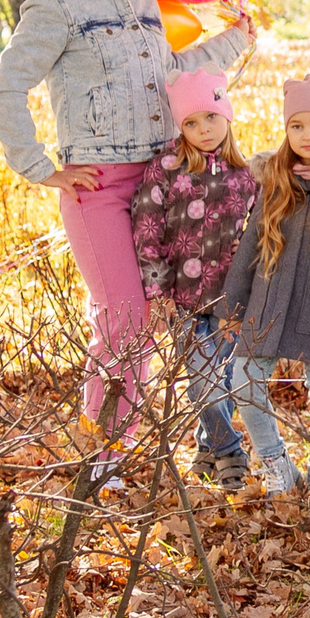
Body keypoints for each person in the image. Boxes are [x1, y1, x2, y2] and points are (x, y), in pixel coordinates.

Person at [0, 0, 252, 445]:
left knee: (162, 321)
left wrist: (238, 37)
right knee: (124, 319)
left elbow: (168, 72)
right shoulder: (55, 2)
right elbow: (3, 88)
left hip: (162, 184)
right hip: (98, 186)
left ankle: (141, 445)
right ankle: (103, 450)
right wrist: (37, 166)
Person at [217, 73, 310, 495]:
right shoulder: (276, 179)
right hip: (269, 304)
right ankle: (277, 466)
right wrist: (232, 307)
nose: (307, 135)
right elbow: (250, 246)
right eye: (296, 126)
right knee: (244, 379)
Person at [127, 68, 259, 485]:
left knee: (221, 382)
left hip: (230, 301)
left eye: (211, 117)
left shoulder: (246, 175)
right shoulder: (165, 169)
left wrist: (248, 257)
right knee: (201, 384)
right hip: (182, 301)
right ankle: (231, 453)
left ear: (227, 116)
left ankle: (207, 449)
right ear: (180, 126)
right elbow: (146, 231)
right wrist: (158, 291)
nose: (204, 129)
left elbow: (259, 234)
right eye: (191, 122)